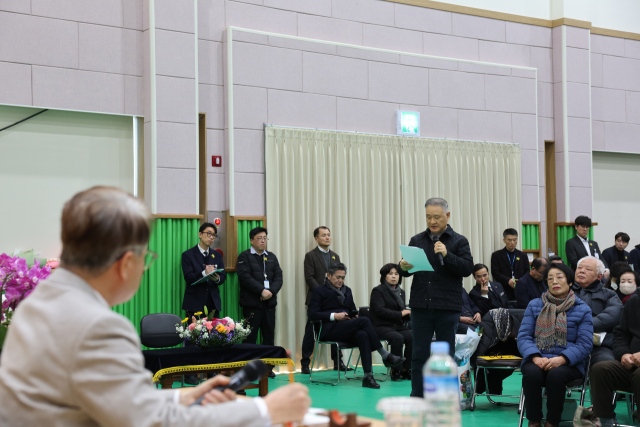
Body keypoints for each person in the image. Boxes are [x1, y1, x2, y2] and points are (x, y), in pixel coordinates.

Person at [0, 187, 310, 427]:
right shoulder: (98, 326)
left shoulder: (37, 303)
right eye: (146, 259)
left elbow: (112, 400)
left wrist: (184, 395)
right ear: (125, 264)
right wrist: (264, 408)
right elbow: (149, 421)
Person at [398, 197, 474, 398]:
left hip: (447, 307)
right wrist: (403, 268)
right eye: (428, 217)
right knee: (418, 355)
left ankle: (443, 398)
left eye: (436, 217)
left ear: (447, 216)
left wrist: (448, 255)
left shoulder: (459, 241)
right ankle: (417, 396)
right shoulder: (417, 240)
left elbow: (467, 269)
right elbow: (407, 272)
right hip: (420, 306)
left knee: (445, 357)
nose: (432, 221)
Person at [518, 262, 593, 427]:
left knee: (556, 375)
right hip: (538, 357)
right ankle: (534, 420)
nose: (555, 281)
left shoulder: (582, 309)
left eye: (559, 277)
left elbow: (585, 344)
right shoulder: (535, 305)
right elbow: (523, 336)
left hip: (568, 363)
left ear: (570, 282)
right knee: (531, 373)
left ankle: (552, 422)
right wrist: (535, 357)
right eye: (550, 278)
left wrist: (563, 359)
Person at [308, 263, 405, 389]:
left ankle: (368, 376)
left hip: (346, 327)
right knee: (364, 321)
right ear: (329, 275)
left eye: (343, 278)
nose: (340, 280)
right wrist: (334, 316)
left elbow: (352, 310)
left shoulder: (347, 290)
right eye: (338, 277)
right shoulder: (319, 291)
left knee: (363, 334)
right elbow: (313, 315)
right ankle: (385, 354)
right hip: (328, 329)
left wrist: (353, 316)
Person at [590, 286, 640, 427]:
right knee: (601, 369)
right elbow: (621, 334)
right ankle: (605, 421)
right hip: (631, 363)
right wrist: (623, 354)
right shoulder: (634, 301)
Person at [301, 226, 348, 374]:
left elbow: (339, 276)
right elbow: (309, 277)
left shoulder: (335, 256)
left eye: (329, 235)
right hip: (316, 299)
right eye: (323, 235)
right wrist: (323, 292)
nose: (327, 237)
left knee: (337, 329)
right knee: (310, 332)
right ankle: (304, 363)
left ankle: (338, 361)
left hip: (334, 301)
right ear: (316, 238)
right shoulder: (310, 255)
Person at [571, 256, 623, 365]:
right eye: (579, 268)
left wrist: (582, 325)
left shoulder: (609, 294)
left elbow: (613, 315)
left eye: (588, 269)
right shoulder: (565, 292)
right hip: (569, 342)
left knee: (606, 365)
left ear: (599, 276)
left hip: (599, 346)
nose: (581, 271)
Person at [237, 227, 282, 349]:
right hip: (252, 305)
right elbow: (245, 278)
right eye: (259, 238)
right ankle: (248, 367)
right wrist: (261, 291)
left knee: (269, 337)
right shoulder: (244, 257)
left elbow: (279, 277)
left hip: (269, 305)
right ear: (251, 241)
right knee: (249, 338)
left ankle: (268, 367)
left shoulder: (272, 257)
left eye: (265, 238)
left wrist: (270, 292)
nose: (263, 241)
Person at [369, 263, 412, 381]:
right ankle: (395, 370)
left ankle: (406, 369)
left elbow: (402, 311)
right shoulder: (378, 291)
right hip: (380, 326)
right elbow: (379, 311)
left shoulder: (401, 292)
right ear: (384, 276)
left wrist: (409, 314)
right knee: (398, 337)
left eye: (396, 274)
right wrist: (402, 313)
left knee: (413, 336)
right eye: (390, 274)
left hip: (396, 325)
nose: (394, 276)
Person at [182, 222, 226, 319]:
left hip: (213, 302)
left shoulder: (217, 255)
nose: (211, 237)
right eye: (209, 233)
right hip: (194, 303)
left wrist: (217, 278)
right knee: (195, 332)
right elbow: (188, 277)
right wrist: (204, 273)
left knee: (215, 332)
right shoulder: (188, 255)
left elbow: (223, 276)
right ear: (200, 234)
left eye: (214, 235)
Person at [491, 228, 530, 301]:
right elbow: (495, 273)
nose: (512, 242)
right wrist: (508, 280)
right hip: (503, 288)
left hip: (520, 288)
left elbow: (527, 271)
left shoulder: (523, 255)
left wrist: (520, 282)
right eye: (509, 240)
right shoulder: (496, 255)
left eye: (514, 240)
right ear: (504, 240)